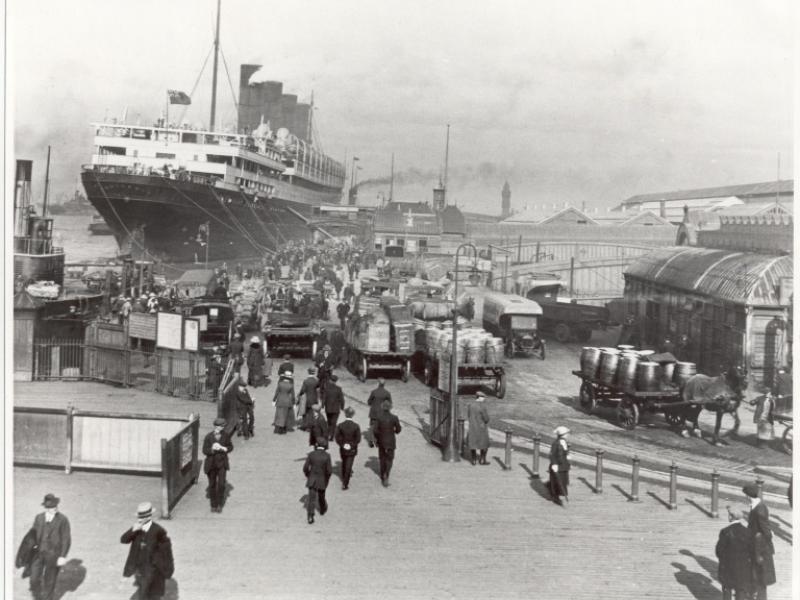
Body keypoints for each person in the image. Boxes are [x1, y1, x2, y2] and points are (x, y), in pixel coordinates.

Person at [120, 501, 174, 600]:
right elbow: (123, 540)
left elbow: (167, 551)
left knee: (153, 595)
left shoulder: (158, 531)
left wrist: (168, 570)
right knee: (144, 595)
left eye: (142, 518)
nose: (139, 520)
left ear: (148, 517)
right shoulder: (136, 530)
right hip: (141, 569)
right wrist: (132, 530)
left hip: (154, 569)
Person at [27, 493, 71, 600]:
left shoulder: (63, 519)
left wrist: (62, 556)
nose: (55, 508)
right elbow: (33, 534)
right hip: (38, 553)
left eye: (56, 506)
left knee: (50, 579)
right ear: (46, 508)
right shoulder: (39, 518)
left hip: (54, 554)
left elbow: (66, 539)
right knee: (33, 579)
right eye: (52, 507)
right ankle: (38, 597)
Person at [743, 483, 776, 600]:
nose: (745, 498)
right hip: (756, 547)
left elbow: (766, 531)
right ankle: (753, 595)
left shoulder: (759, 510)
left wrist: (761, 546)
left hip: (760, 550)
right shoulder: (756, 506)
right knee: (756, 575)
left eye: (745, 495)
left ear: (748, 496)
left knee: (761, 578)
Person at [715, 507, 754, 600]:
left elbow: (719, 551)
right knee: (741, 590)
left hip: (728, 567)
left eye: (729, 514)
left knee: (727, 589)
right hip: (743, 567)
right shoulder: (747, 531)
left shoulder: (725, 531)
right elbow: (751, 550)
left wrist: (724, 560)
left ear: (731, 517)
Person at [203, 418, 233, 513]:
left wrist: (225, 449)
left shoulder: (226, 435)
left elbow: (230, 446)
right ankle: (213, 505)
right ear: (216, 426)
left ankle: (220, 504)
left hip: (222, 464)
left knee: (221, 484)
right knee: (212, 485)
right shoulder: (208, 437)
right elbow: (204, 450)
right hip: (211, 464)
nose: (222, 428)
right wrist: (212, 449)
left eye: (223, 426)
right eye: (221, 426)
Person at [371, 399, 402, 487]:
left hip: (381, 441)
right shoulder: (394, 417)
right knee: (390, 459)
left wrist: (378, 437)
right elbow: (399, 430)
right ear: (390, 408)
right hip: (391, 441)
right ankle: (386, 474)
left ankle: (382, 474)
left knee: (382, 458)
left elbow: (375, 430)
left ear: (382, 407)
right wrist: (394, 431)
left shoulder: (379, 417)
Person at [303, 439, 332, 524]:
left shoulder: (311, 454)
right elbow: (329, 471)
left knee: (311, 498)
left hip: (312, 479)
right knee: (321, 496)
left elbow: (305, 468)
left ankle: (310, 516)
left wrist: (308, 475)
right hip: (322, 479)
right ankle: (322, 509)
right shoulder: (327, 456)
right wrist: (327, 479)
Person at [335, 406, 362, 490]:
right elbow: (358, 439)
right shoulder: (356, 426)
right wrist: (351, 445)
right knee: (349, 465)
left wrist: (343, 445)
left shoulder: (340, 425)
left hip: (343, 448)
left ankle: (344, 476)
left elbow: (337, 437)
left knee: (344, 462)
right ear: (353, 415)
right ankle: (345, 483)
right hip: (352, 449)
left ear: (345, 414)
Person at [548, 426, 571, 506]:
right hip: (558, 465)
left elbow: (565, 451)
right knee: (558, 481)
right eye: (566, 433)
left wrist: (567, 455)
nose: (568, 435)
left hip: (564, 465)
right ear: (563, 435)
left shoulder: (564, 442)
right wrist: (554, 464)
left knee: (563, 481)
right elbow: (552, 455)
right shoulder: (555, 443)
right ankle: (555, 496)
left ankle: (556, 492)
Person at [467, 391, 491, 466]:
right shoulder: (482, 406)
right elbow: (486, 419)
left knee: (473, 444)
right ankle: (482, 460)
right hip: (481, 428)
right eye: (483, 397)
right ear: (480, 397)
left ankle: (473, 460)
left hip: (472, 427)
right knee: (485, 444)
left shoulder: (470, 405)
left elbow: (469, 415)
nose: (484, 399)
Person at [323, 373, 345, 441]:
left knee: (329, 421)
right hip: (336, 409)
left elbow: (324, 398)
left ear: (330, 380)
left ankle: (329, 433)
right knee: (334, 422)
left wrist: (322, 406)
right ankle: (331, 436)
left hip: (328, 408)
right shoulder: (339, 389)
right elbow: (342, 399)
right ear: (335, 381)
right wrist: (342, 407)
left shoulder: (327, 388)